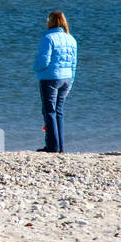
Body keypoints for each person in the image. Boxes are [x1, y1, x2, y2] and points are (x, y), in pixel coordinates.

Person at [33, 10, 77, 153]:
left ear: (51, 21)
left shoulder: (48, 38)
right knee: (58, 112)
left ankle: (52, 146)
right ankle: (60, 146)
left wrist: (35, 67)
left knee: (49, 111)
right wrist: (71, 83)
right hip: (66, 78)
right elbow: (73, 63)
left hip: (50, 77)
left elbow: (43, 61)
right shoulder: (71, 39)